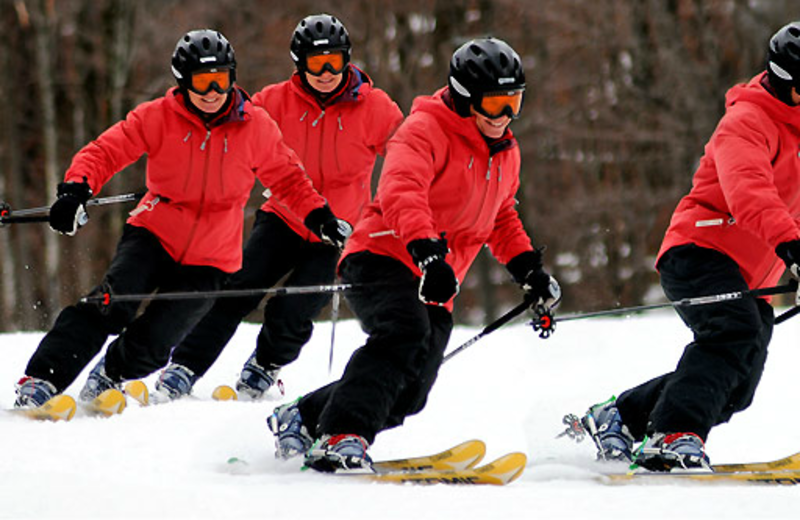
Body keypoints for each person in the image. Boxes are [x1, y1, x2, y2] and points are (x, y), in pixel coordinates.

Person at [266, 37, 561, 472]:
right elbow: (402, 191)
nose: (505, 117)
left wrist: (529, 271)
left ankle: (305, 416)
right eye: (495, 103)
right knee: (402, 336)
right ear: (465, 98)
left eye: (514, 102)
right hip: (383, 254)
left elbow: (501, 216)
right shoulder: (424, 130)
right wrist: (426, 253)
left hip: (437, 277)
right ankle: (340, 435)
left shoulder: (505, 152)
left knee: (412, 390)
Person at [13, 29, 350, 409]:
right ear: (182, 81)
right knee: (111, 304)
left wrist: (320, 217)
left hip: (212, 257)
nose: (212, 93)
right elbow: (105, 151)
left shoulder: (255, 127)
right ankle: (42, 379)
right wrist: (75, 190)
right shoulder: (157, 117)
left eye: (220, 81)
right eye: (202, 82)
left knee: (158, 342)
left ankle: (112, 374)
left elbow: (289, 179)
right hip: (153, 235)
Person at [580, 21, 800, 472]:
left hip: (746, 273)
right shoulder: (746, 122)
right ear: (784, 80)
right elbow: (750, 193)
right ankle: (672, 434)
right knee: (731, 335)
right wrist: (794, 248)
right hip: (699, 252)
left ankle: (620, 417)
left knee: (739, 381)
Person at [157, 14, 403, 400]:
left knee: (296, 308)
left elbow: (408, 157)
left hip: (338, 232)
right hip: (284, 216)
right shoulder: (273, 102)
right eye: (315, 62)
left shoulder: (375, 107)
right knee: (237, 291)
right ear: (298, 63)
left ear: (347, 60)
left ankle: (264, 366)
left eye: (334, 61)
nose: (325, 72)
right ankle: (185, 367)